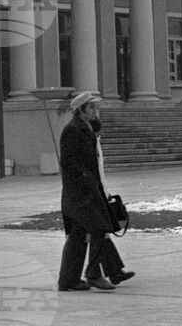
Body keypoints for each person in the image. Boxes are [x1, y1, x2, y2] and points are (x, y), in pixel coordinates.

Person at [57, 91, 116, 291]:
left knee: (78, 235)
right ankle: (92, 275)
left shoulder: (85, 128)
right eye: (92, 108)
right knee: (99, 229)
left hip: (84, 192)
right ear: (81, 110)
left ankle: (68, 280)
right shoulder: (72, 130)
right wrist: (86, 179)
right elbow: (67, 162)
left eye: (96, 108)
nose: (95, 111)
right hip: (80, 194)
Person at [89, 115, 135, 286]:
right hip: (91, 196)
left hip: (97, 194)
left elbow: (100, 173)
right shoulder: (89, 143)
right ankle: (98, 274)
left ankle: (112, 272)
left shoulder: (94, 142)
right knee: (98, 234)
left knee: (100, 235)